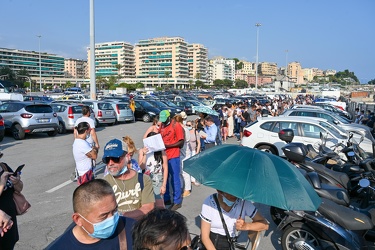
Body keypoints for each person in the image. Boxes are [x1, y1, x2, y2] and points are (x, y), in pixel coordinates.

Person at [47, 179, 134, 249]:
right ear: (78, 219)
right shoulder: (59, 247)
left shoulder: (134, 229)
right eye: (104, 216)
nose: (112, 219)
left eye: (114, 211)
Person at [103, 139, 155, 220]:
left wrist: (119, 216)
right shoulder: (103, 184)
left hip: (139, 229)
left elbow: (148, 208)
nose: (110, 163)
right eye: (107, 160)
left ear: (127, 157)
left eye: (115, 159)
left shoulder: (144, 179)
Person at [200, 190, 269, 250]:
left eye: (236, 196)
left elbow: (265, 225)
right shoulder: (209, 202)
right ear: (220, 192)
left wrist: (246, 226)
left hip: (229, 243)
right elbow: (205, 237)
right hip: (210, 242)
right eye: (231, 197)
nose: (234, 199)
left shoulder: (243, 202)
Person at [159, 110, 184, 211]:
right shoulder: (162, 125)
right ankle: (166, 199)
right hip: (164, 155)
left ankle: (177, 201)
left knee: (175, 178)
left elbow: (181, 143)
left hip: (173, 155)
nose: (163, 122)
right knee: (164, 178)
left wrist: (167, 146)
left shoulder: (176, 125)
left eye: (165, 120)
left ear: (169, 117)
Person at [138, 132, 168, 209]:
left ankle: (162, 220)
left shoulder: (161, 151)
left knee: (160, 204)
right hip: (146, 178)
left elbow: (165, 168)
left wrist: (164, 185)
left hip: (158, 178)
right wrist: (145, 154)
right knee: (148, 204)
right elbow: (141, 167)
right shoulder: (142, 151)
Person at [0, 163, 23, 250]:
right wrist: (2, 183)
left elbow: (19, 188)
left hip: (9, 220)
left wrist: (16, 182)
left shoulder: (4, 167)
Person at [174, 114, 192, 198]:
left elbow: (186, 140)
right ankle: (182, 187)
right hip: (180, 152)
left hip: (185, 152)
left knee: (185, 172)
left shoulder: (184, 129)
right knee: (180, 172)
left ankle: (187, 189)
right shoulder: (179, 128)